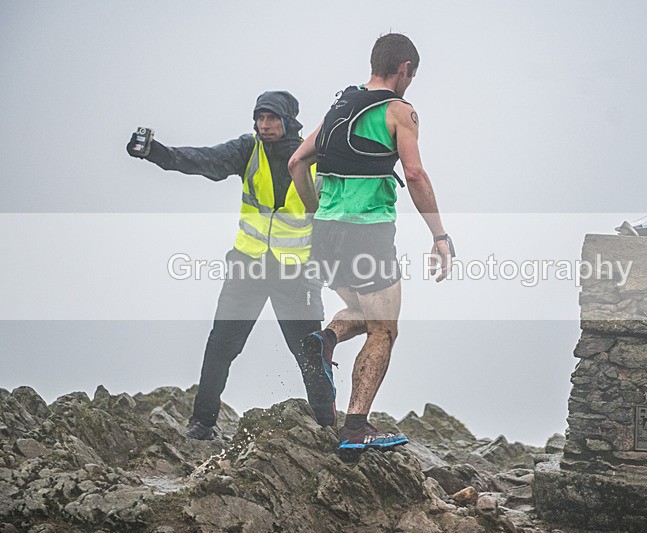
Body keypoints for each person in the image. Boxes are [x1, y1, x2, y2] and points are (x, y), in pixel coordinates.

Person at [126, 90, 331, 440]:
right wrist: (156, 153)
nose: (264, 125)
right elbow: (202, 160)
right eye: (260, 118)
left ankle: (329, 429)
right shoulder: (246, 150)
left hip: (295, 275)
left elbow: (333, 218)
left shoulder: (316, 159)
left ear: (289, 121)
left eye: (272, 118)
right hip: (248, 267)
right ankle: (203, 424)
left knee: (312, 353)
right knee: (221, 345)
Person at [288, 33, 454, 453]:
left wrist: (316, 212)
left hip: (326, 231)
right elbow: (414, 175)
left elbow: (297, 163)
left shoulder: (339, 106)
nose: (410, 82)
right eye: (411, 76)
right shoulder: (400, 111)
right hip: (368, 232)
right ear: (405, 70)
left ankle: (322, 342)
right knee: (384, 329)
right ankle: (355, 429)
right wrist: (440, 235)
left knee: (365, 310)